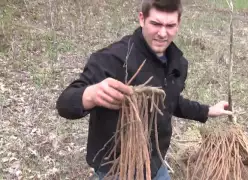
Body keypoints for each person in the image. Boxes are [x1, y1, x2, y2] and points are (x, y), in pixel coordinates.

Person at [56, 0, 232, 179]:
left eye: (170, 25)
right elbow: (65, 103)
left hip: (155, 163)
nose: (162, 33)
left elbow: (170, 100)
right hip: (116, 168)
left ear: (178, 24)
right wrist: (90, 95)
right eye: (156, 24)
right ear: (142, 19)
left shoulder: (177, 63)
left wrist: (208, 110)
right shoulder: (112, 59)